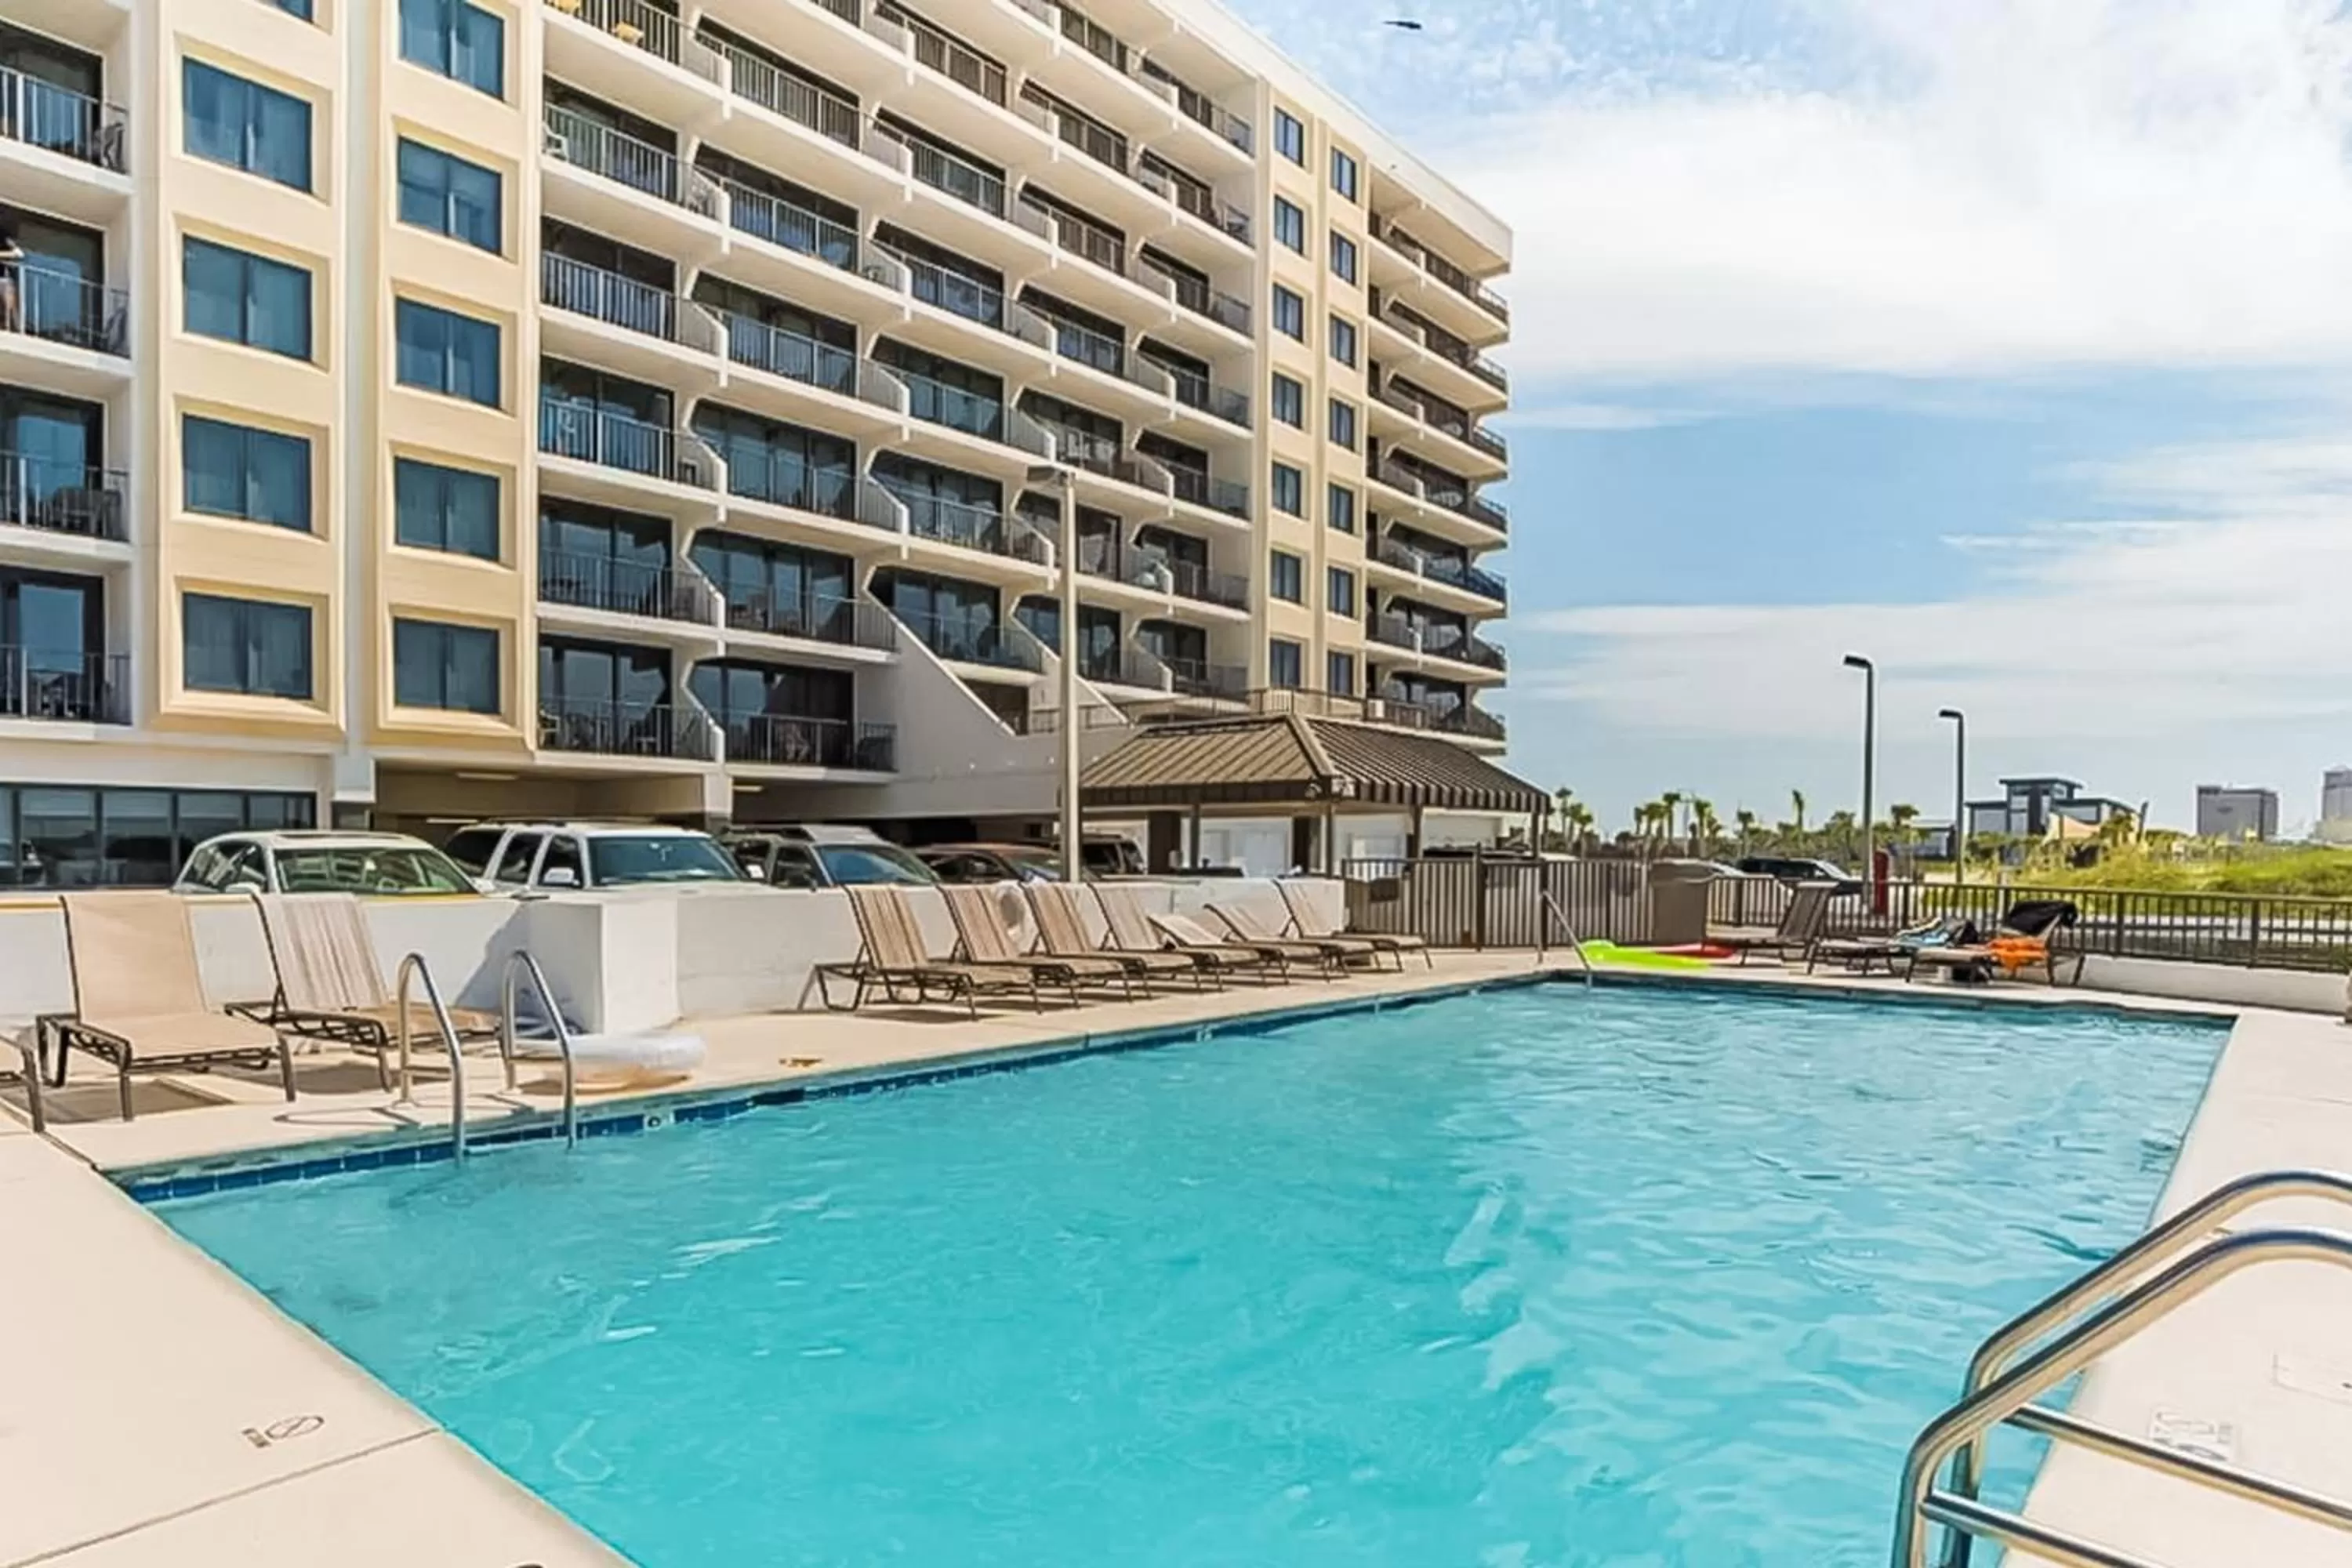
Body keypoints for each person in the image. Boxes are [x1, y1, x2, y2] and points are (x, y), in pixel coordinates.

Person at [0, 217, 21, 332]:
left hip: (2, 278)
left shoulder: (3, 235)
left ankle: (14, 329)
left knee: (10, 304)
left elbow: (18, 254)